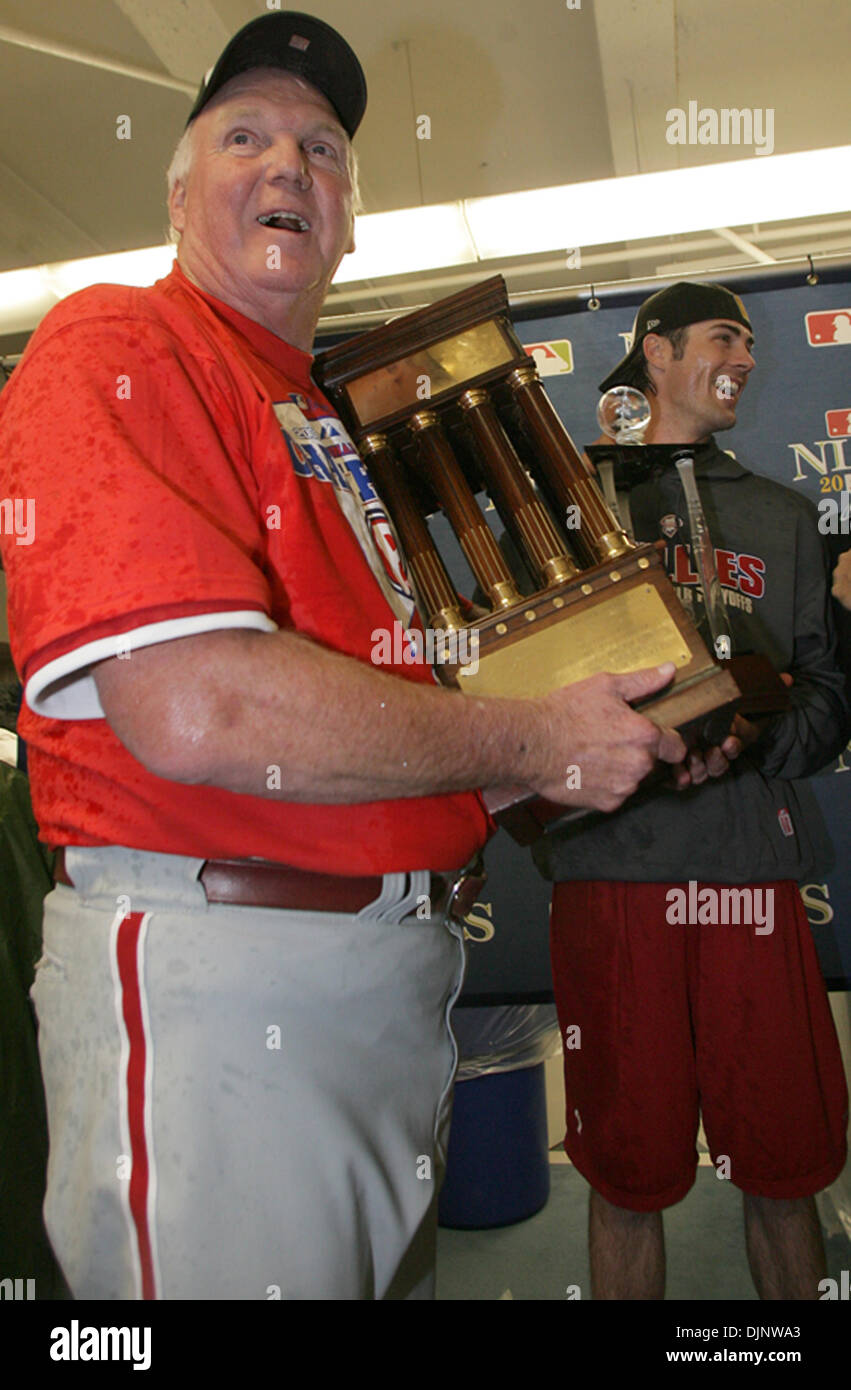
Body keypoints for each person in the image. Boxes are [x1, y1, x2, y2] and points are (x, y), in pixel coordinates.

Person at [0, 14, 692, 1300]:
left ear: (352, 218)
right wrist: (533, 737)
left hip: (380, 984)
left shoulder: (310, 411)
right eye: (245, 136)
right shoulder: (117, 343)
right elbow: (202, 708)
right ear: (177, 192)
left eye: (322, 149)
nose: (287, 167)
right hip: (222, 982)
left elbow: (360, 736)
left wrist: (568, 751)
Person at [535, 282, 849, 1300]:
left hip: (750, 877)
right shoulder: (568, 514)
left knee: (780, 1163)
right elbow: (523, 687)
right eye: (724, 337)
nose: (747, 358)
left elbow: (828, 692)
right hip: (612, 874)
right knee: (626, 1172)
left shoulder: (781, 514)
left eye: (754, 342)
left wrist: (753, 737)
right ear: (655, 353)